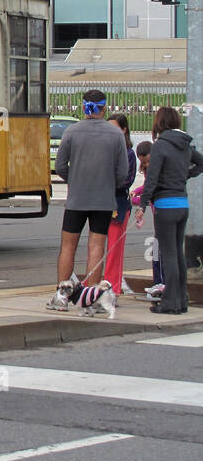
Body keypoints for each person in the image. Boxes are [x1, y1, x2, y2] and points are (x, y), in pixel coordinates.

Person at [50, 88, 126, 309]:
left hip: (77, 198)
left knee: (68, 246)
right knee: (96, 246)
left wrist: (74, 178)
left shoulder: (72, 131)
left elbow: (60, 166)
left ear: (83, 107)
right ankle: (91, 299)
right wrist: (108, 184)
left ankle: (61, 297)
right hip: (103, 199)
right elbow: (122, 173)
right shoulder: (116, 135)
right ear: (105, 107)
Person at [141, 104, 201, 315]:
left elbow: (153, 178)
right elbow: (201, 163)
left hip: (165, 206)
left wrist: (143, 204)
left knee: (168, 255)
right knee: (178, 254)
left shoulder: (160, 145)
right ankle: (182, 300)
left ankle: (170, 303)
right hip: (182, 204)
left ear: (159, 122)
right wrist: (186, 175)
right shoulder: (185, 145)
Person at [106, 113, 138, 297]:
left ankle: (113, 287)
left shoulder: (128, 153)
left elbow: (126, 180)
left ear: (124, 130)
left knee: (114, 250)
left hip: (117, 204)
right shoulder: (106, 149)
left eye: (115, 128)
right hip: (102, 203)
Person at [131, 140, 167, 301]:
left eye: (147, 160)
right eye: (143, 162)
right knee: (157, 251)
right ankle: (158, 282)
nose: (146, 164)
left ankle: (161, 283)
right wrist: (137, 191)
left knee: (159, 251)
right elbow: (147, 187)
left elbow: (150, 193)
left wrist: (138, 201)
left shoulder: (159, 169)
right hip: (157, 215)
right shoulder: (148, 170)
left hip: (162, 213)